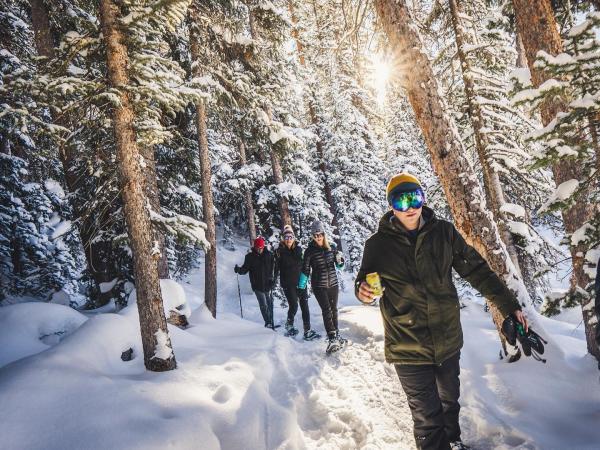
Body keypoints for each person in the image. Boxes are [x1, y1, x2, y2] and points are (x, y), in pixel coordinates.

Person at [355, 173, 528, 450]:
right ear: (391, 206)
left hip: (446, 339)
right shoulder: (377, 245)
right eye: (401, 201)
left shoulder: (444, 233)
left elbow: (477, 270)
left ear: (423, 198)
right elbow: (364, 281)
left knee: (449, 400)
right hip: (407, 344)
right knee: (427, 418)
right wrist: (363, 291)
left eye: (415, 197)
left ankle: (453, 441)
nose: (410, 206)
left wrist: (509, 306)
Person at [298, 220, 345, 353]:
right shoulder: (309, 251)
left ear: (324, 234)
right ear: (313, 236)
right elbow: (305, 269)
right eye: (315, 235)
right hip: (319, 285)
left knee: (334, 310)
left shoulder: (331, 247)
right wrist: (301, 286)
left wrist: (340, 261)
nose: (318, 237)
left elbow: (340, 265)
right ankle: (331, 338)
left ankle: (337, 335)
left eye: (320, 234)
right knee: (326, 310)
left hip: (333, 284)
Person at [274, 225, 320, 340]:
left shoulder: (299, 250)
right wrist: (272, 280)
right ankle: (289, 325)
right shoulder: (279, 252)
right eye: (286, 237)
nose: (288, 239)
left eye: (290, 237)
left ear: (293, 238)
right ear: (283, 238)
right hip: (288, 284)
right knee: (294, 305)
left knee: (305, 306)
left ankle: (307, 331)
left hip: (300, 283)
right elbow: (275, 269)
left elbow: (306, 264)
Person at [234, 237, 276, 329]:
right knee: (263, 304)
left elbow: (273, 268)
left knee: (269, 303)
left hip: (267, 284)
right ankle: (268, 322)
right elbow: (245, 269)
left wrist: (272, 279)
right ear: (255, 247)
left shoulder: (269, 255)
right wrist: (238, 270)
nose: (259, 250)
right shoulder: (249, 257)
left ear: (263, 246)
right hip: (257, 285)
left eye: (261, 248)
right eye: (257, 248)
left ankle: (271, 321)